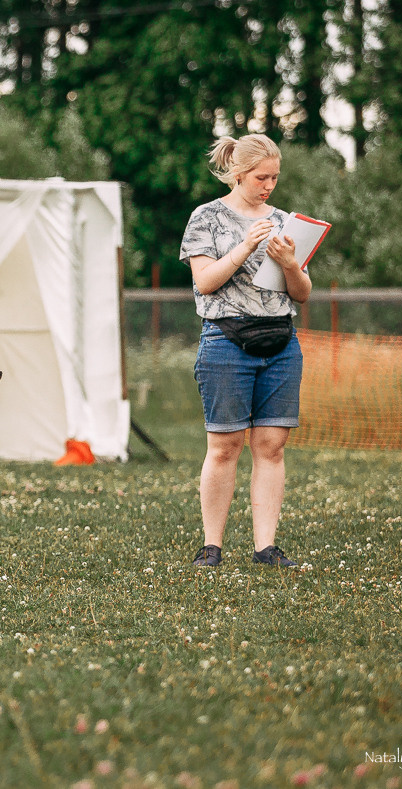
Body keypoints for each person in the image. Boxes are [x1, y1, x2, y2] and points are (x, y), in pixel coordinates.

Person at [178, 134, 312, 569]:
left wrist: (291, 264)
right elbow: (205, 282)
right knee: (224, 446)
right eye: (261, 177)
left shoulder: (285, 222)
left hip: (280, 342)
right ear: (238, 174)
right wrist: (245, 247)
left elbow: (302, 293)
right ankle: (211, 547)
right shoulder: (207, 218)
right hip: (226, 341)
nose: (269, 185)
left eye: (274, 177)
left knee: (271, 446)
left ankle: (265, 548)